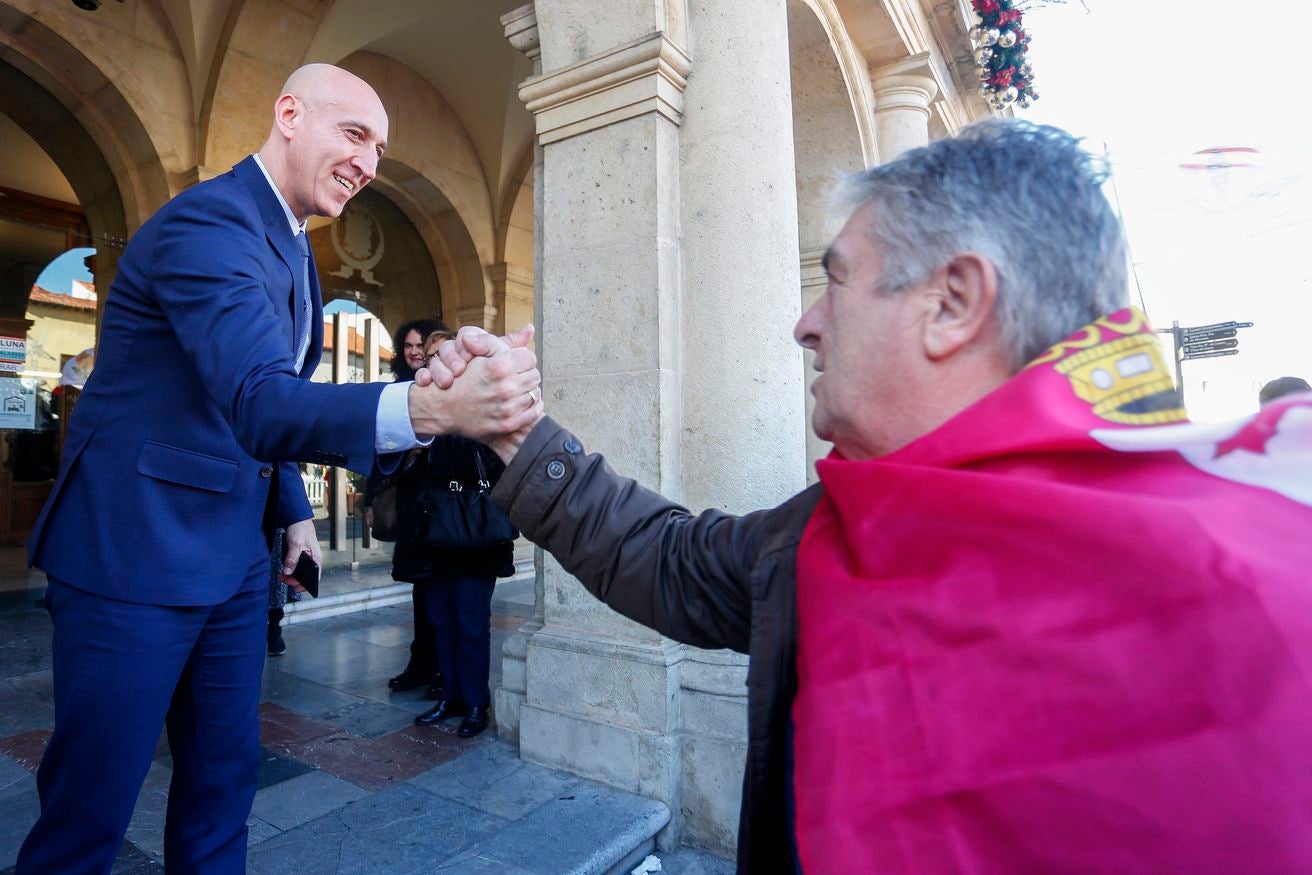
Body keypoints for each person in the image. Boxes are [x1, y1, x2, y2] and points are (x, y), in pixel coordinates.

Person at [433, 119, 1312, 873]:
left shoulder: (1258, 604)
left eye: (839, 278)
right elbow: (671, 559)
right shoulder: (834, 526)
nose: (804, 322)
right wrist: (518, 432)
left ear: (953, 302)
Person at [17, 63, 542, 874]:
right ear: (289, 114)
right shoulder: (207, 225)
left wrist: (294, 508)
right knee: (90, 810)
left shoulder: (297, 251)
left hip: (233, 563)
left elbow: (249, 402)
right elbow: (262, 400)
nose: (370, 162)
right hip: (131, 556)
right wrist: (433, 410)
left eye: (381, 147)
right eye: (355, 133)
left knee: (224, 783)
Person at [410, 328, 517, 738]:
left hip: (475, 535)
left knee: (470, 621)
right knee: (440, 618)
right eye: (431, 356)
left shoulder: (483, 404)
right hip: (437, 533)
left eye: (441, 353)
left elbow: (497, 465)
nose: (434, 361)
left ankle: (475, 702)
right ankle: (451, 694)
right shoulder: (425, 407)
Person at [366, 318, 446, 697]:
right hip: (412, 504)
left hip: (445, 504)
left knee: (443, 591)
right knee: (419, 589)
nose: (415, 352)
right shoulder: (396, 390)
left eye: (422, 347)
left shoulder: (448, 385)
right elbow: (379, 446)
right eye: (410, 346)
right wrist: (371, 499)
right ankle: (420, 664)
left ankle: (445, 669)